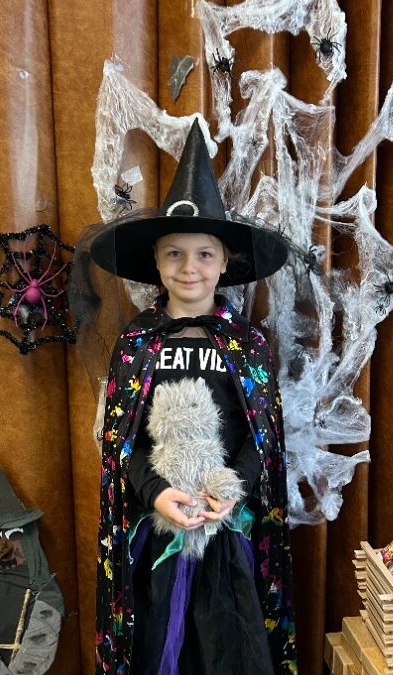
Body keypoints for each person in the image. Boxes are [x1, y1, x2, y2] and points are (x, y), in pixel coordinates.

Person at [77, 121, 297, 674]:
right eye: (174, 253)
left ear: (226, 263)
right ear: (156, 262)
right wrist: (154, 494)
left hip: (228, 530)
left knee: (228, 645)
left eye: (204, 254)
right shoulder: (137, 344)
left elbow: (264, 440)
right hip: (158, 529)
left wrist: (232, 490)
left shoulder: (248, 345)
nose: (189, 267)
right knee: (161, 644)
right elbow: (120, 443)